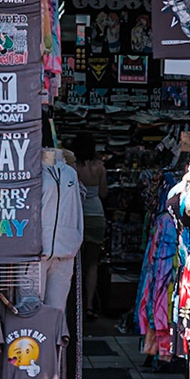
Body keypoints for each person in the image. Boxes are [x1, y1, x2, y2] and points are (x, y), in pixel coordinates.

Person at [73, 133, 108, 317]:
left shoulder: (73, 167)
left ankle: (75, 304)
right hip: (96, 214)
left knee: (75, 262)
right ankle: (89, 305)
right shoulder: (99, 167)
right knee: (92, 263)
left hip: (77, 216)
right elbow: (103, 193)